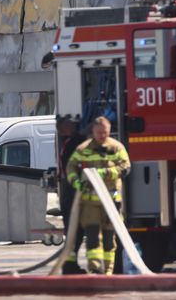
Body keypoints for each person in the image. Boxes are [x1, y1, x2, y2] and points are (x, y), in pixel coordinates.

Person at [65, 117, 131, 274]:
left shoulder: (116, 147)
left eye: (105, 132)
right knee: (93, 238)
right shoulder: (83, 149)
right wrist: (77, 183)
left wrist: (106, 172)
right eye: (99, 132)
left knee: (109, 240)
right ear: (93, 131)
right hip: (90, 203)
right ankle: (95, 270)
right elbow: (71, 167)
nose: (102, 135)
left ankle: (107, 271)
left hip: (112, 202)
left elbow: (126, 167)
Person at [55, 114, 85, 274]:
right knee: (74, 229)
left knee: (75, 230)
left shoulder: (72, 142)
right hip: (71, 191)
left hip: (71, 191)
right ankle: (69, 265)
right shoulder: (70, 142)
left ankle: (70, 264)